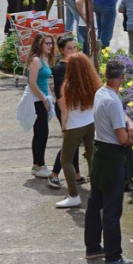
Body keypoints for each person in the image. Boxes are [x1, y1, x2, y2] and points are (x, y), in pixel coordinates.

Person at [85, 59, 133, 264]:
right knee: (112, 209)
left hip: (99, 154)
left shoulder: (101, 93)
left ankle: (92, 247)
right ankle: (113, 255)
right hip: (112, 157)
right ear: (122, 78)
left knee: (95, 201)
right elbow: (122, 138)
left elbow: (120, 119)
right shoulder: (113, 101)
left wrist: (129, 122)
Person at [54, 53, 101, 208]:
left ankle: (74, 195)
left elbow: (65, 111)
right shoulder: (94, 83)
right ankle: (97, 192)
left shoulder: (68, 86)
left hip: (75, 126)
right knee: (91, 157)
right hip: (91, 124)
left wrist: (63, 128)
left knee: (66, 160)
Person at [46, 36, 83, 189]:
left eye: (75, 48)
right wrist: (65, 117)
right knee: (70, 142)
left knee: (75, 142)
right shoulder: (61, 68)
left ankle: (77, 174)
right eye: (69, 48)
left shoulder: (74, 64)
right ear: (61, 50)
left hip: (75, 108)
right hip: (65, 108)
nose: (73, 51)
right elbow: (60, 95)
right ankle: (54, 174)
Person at [28, 33, 56, 178]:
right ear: (40, 44)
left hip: (43, 99)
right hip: (38, 101)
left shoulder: (44, 59)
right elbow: (32, 83)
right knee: (42, 133)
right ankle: (39, 166)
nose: (50, 46)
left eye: (51, 43)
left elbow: (45, 81)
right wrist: (44, 100)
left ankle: (38, 164)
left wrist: (50, 97)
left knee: (40, 133)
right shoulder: (36, 61)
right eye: (47, 43)